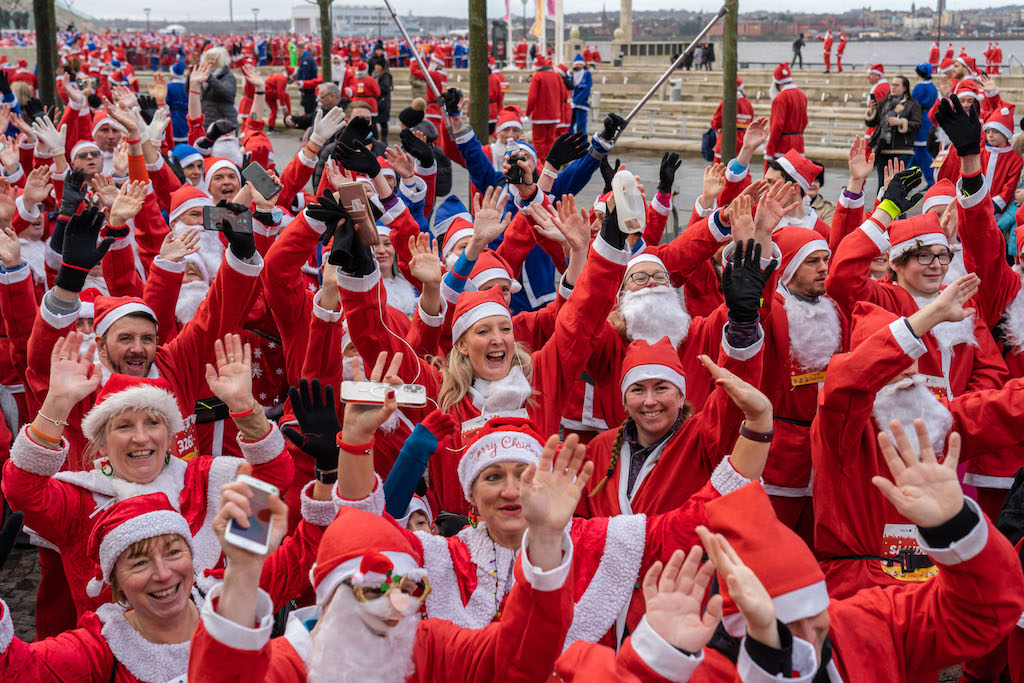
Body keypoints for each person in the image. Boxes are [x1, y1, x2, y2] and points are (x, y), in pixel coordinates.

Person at [865, 76, 922, 194]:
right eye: (892, 84)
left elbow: (917, 125)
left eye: (897, 85)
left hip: (903, 150)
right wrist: (872, 112)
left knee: (897, 184)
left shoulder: (912, 104)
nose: (893, 87)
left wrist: (902, 123)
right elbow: (872, 123)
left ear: (905, 88)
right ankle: (879, 210)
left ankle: (898, 211)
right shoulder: (883, 102)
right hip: (883, 149)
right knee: (882, 185)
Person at [765, 63, 807, 170]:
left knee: (776, 182)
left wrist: (769, 150)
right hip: (799, 144)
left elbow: (777, 125)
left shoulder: (781, 98)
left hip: (783, 145)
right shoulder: (801, 95)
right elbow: (805, 121)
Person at [526, 55, 566, 166]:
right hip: (554, 115)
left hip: (539, 116)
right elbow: (563, 95)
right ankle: (551, 165)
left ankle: (540, 166)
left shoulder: (537, 76)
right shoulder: (556, 76)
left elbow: (532, 97)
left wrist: (527, 113)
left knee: (539, 142)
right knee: (551, 141)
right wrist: (558, 109)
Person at [711, 78, 753, 162]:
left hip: (725, 139)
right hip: (743, 140)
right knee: (741, 170)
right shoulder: (748, 103)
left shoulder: (726, 102)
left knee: (719, 170)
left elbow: (716, 123)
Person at [911, 63, 939, 184]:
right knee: (918, 153)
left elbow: (912, 103)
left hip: (921, 120)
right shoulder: (932, 86)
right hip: (930, 118)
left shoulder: (920, 87)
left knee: (921, 151)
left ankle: (931, 180)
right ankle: (908, 174)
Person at [198, 47, 237, 132]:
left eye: (213, 59)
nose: (209, 62)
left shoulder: (228, 76)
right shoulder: (206, 75)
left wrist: (210, 79)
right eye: (208, 59)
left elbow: (227, 93)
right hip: (207, 119)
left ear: (220, 60)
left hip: (223, 121)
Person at [293, 42, 320, 115]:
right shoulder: (307, 58)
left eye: (296, 51)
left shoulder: (306, 60)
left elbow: (306, 76)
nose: (296, 53)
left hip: (309, 91)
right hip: (310, 90)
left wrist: (303, 89)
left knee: (309, 112)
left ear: (299, 50)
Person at [569, 54, 592, 135]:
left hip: (582, 104)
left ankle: (583, 146)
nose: (577, 66)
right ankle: (570, 145)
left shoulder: (587, 74)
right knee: (569, 126)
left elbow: (587, 89)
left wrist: (575, 101)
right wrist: (570, 73)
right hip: (570, 104)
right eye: (576, 64)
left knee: (581, 128)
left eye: (579, 64)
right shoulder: (571, 74)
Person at [374, 61, 393, 144]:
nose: (376, 66)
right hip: (378, 101)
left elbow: (385, 88)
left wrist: (375, 88)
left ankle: (384, 139)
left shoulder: (385, 76)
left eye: (378, 65)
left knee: (383, 122)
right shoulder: (376, 75)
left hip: (383, 102)